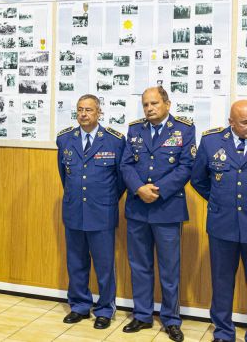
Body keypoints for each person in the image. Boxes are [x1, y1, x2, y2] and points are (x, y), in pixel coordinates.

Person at [120, 86, 195, 342]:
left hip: (167, 209)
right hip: (138, 208)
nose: (149, 108)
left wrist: (157, 191)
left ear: (167, 104)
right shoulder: (135, 129)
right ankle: (142, 315)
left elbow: (187, 166)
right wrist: (139, 188)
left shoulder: (184, 129)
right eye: (145, 104)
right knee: (139, 266)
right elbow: (125, 164)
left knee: (169, 269)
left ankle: (171, 320)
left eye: (154, 103)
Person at [56, 95, 126, 330]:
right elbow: (65, 175)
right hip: (74, 210)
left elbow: (120, 180)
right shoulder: (65, 139)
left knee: (104, 265)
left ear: (99, 113)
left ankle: (105, 309)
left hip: (102, 212)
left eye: (89, 110)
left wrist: (105, 199)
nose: (83, 114)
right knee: (76, 262)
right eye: (80, 110)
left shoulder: (115, 140)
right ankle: (79, 306)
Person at [191, 100, 247, 342]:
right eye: (244, 122)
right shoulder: (211, 141)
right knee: (222, 281)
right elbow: (198, 179)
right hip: (222, 225)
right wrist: (218, 200)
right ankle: (223, 332)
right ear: (231, 122)